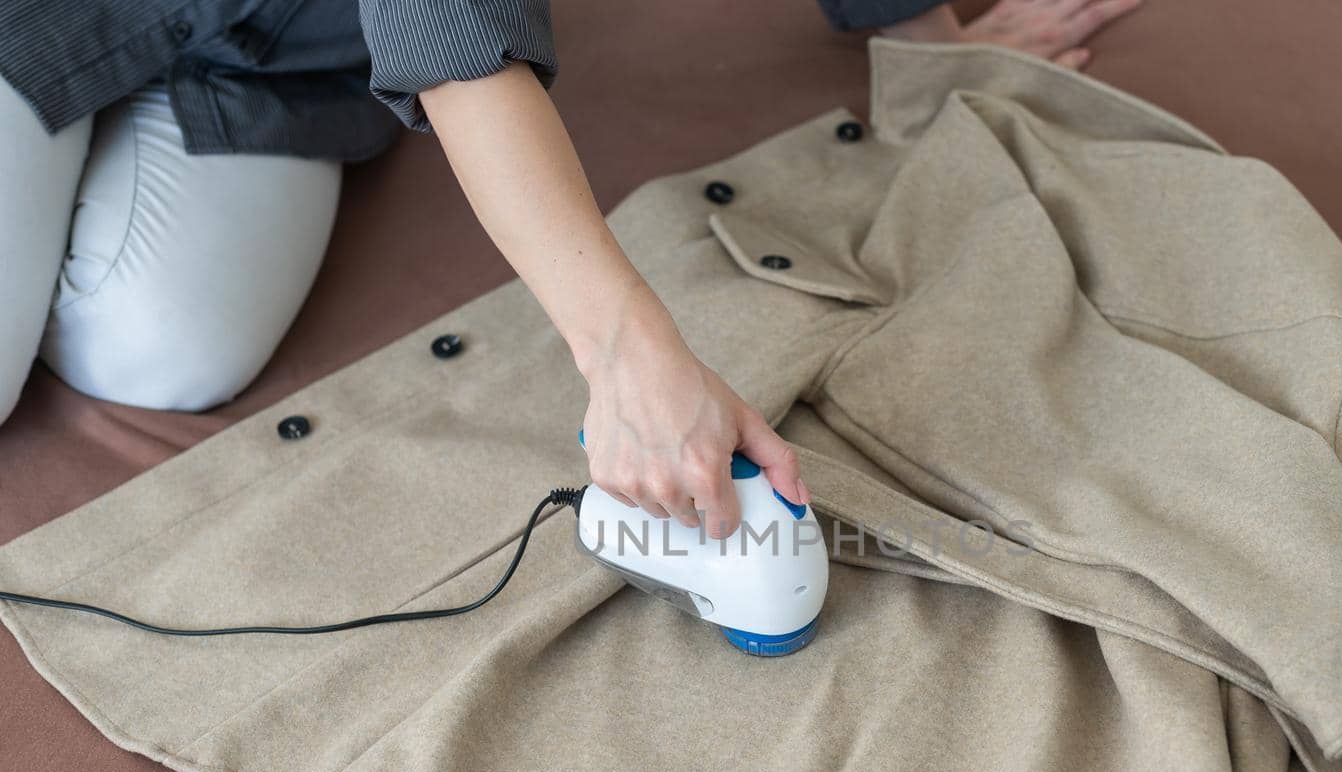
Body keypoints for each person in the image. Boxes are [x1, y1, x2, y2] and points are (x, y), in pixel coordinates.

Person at [0, 0, 1138, 536]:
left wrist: (921, 31)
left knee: (158, 354)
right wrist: (626, 350)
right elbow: (455, 54)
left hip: (286, 53)